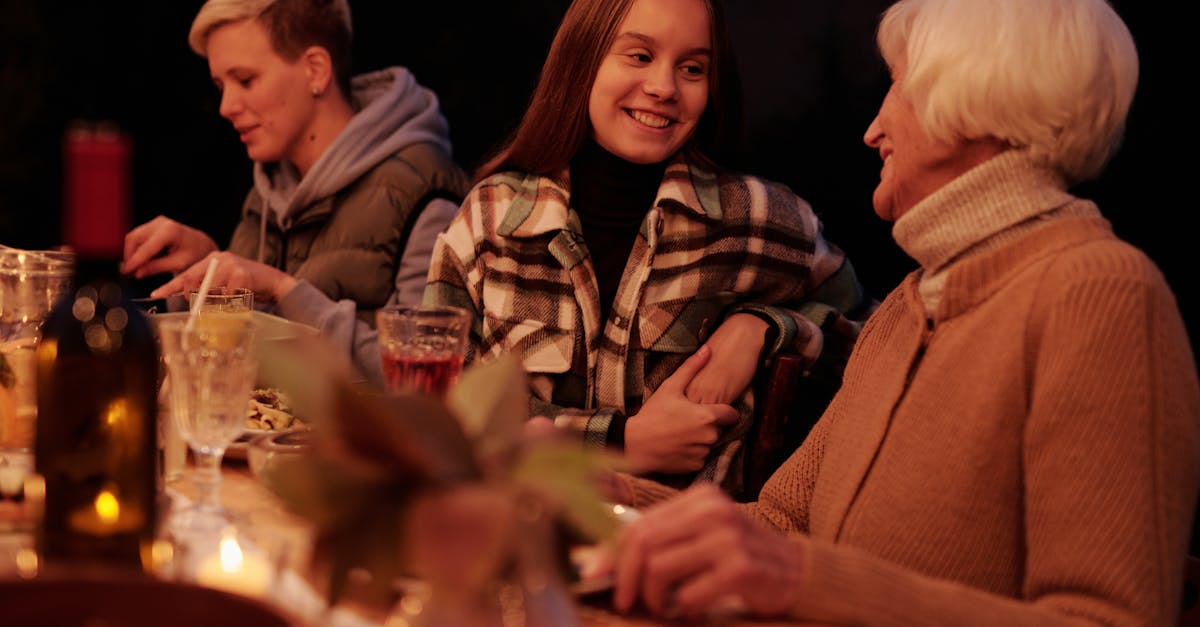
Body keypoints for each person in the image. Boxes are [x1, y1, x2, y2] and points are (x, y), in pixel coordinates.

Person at [597, 0, 1200, 622]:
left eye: (899, 86)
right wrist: (606, 495)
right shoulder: (907, 306)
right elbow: (780, 525)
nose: (873, 129)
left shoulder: (1101, 294)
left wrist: (806, 582)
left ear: (974, 99)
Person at [423, 0, 874, 497]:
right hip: (515, 539)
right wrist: (620, 443)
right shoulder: (490, 217)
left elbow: (876, 339)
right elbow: (439, 406)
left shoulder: (760, 218)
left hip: (687, 554)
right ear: (584, 59)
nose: (664, 88)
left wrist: (765, 328)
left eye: (692, 68)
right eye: (639, 56)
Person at [121, 0, 469, 382]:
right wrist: (208, 269)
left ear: (315, 70)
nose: (226, 106)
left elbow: (418, 384)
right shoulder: (268, 189)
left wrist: (283, 289)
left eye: (245, 80)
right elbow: (253, 355)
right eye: (221, 86)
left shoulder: (425, 192)